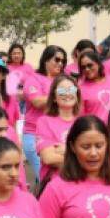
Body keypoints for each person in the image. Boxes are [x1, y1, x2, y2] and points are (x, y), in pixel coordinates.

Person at [21, 45, 66, 187]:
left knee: (52, 176)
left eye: (63, 61)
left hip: (56, 135)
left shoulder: (63, 80)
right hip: (34, 135)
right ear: (46, 60)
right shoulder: (34, 79)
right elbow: (38, 101)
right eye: (57, 59)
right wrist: (61, 94)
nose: (60, 63)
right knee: (47, 178)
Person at [36, 75, 82, 187]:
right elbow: (48, 158)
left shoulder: (83, 122)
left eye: (71, 89)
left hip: (81, 185)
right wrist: (80, 155)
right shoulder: (44, 121)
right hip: (55, 185)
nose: (67, 94)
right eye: (62, 90)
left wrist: (66, 150)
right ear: (54, 98)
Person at [77, 50, 110, 121]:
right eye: (83, 67)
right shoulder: (80, 89)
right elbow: (80, 117)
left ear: (98, 63)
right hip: (96, 130)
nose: (87, 69)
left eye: (90, 65)